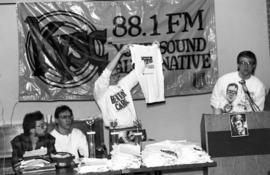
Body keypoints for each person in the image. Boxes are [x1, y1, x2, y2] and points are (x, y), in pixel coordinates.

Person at [94, 44, 140, 129]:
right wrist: (120, 53)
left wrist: (153, 50)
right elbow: (107, 72)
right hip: (116, 130)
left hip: (133, 127)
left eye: (117, 74)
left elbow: (139, 70)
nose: (116, 77)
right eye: (113, 75)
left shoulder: (122, 84)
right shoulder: (100, 90)